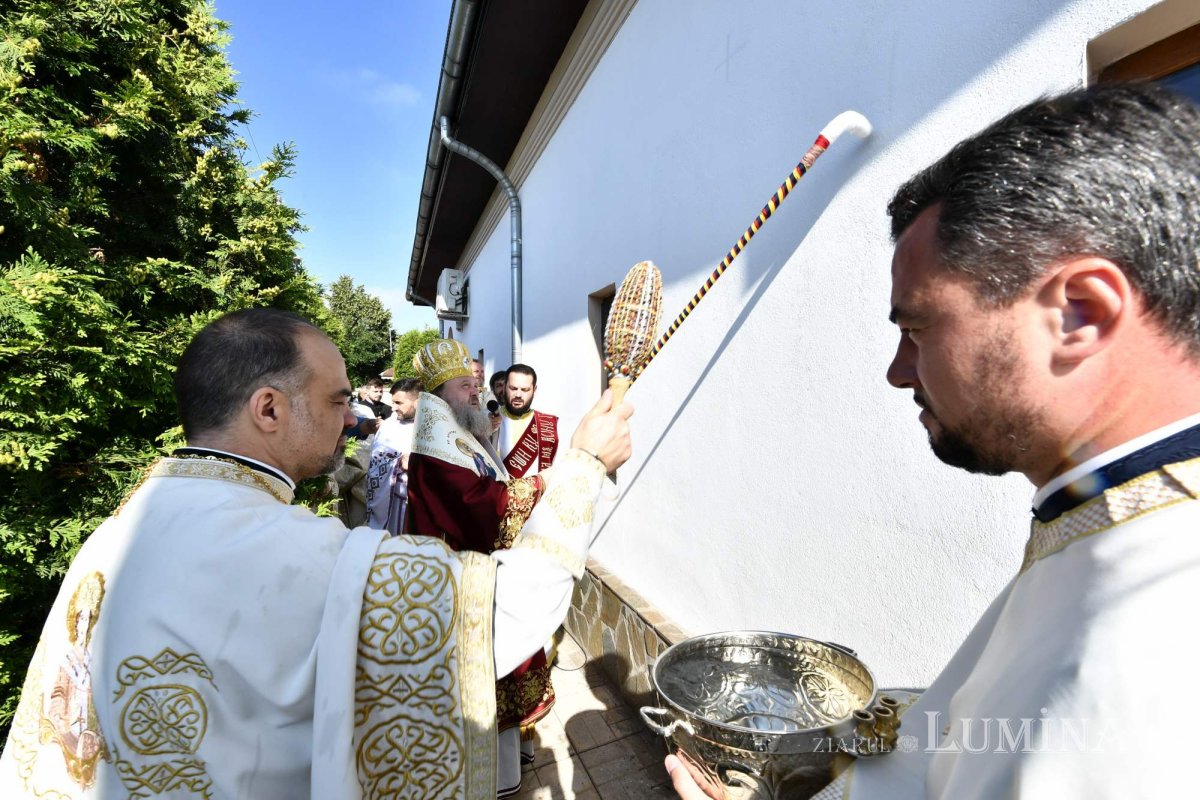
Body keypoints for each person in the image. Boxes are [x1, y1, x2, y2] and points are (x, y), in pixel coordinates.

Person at [671, 83, 1200, 799]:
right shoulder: (1104, 519)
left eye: (918, 328)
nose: (898, 372)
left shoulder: (1157, 636)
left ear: (1080, 312)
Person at [0, 308, 633, 799]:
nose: (351, 418)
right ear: (268, 409)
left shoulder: (120, 527)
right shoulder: (287, 553)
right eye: (336, 400)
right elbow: (497, 618)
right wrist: (584, 467)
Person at [405, 342, 567, 797]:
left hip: (485, 572)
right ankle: (496, 776)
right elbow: (481, 507)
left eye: (475, 384)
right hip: (467, 584)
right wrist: (541, 484)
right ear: (440, 396)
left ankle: (516, 758)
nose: (476, 392)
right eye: (465, 386)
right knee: (489, 676)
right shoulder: (434, 450)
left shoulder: (458, 432)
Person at [363, 377, 422, 533]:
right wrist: (399, 461)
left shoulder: (433, 427)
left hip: (423, 501)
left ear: (418, 402)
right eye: (393, 402)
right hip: (393, 501)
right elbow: (376, 460)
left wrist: (417, 461)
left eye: (399, 403)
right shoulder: (389, 426)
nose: (393, 407)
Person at [498, 364, 559, 478]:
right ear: (504, 387)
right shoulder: (487, 419)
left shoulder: (549, 424)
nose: (518, 395)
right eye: (513, 388)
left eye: (525, 390)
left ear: (534, 390)